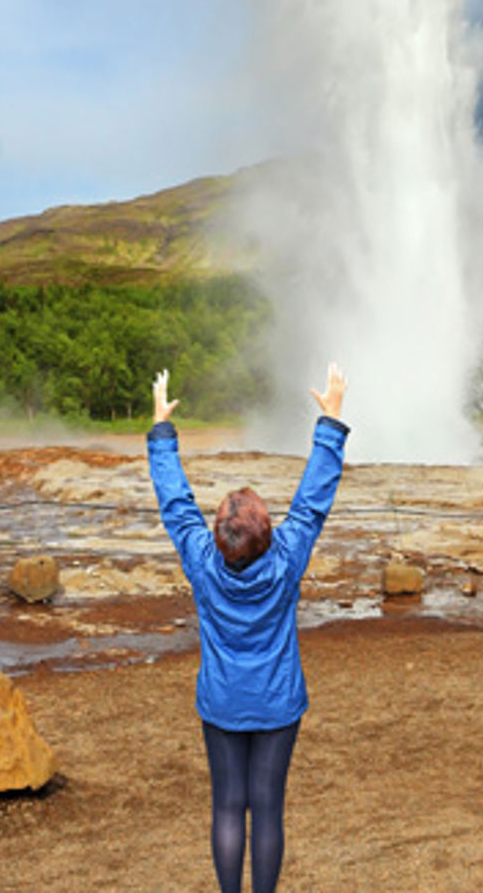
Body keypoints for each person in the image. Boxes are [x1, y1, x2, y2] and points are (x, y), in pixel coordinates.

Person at [147, 363, 349, 893]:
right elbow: (312, 502)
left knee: (228, 806)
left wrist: (162, 431)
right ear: (267, 532)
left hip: (222, 700)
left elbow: (175, 504)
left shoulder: (201, 558)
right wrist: (330, 422)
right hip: (278, 702)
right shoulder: (286, 557)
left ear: (219, 537)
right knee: (268, 808)